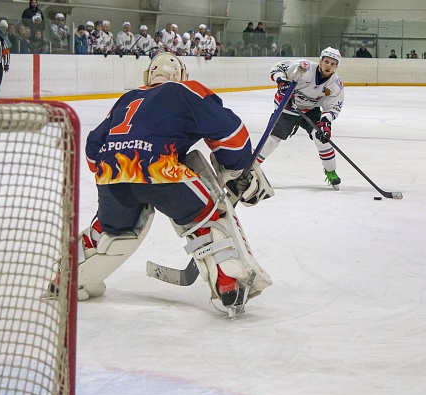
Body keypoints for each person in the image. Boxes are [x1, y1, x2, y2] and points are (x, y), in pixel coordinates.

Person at [47, 53, 273, 314]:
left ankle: (65, 276)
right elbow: (230, 133)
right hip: (160, 171)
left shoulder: (127, 98)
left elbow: (92, 147)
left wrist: (116, 174)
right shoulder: (186, 90)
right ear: (180, 75)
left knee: (111, 230)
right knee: (207, 213)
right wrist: (236, 168)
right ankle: (229, 282)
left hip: (111, 174)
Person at [257, 47, 345, 189]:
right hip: (287, 107)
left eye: (333, 64)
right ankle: (250, 167)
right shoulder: (304, 67)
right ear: (320, 61)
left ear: (336, 67)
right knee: (272, 139)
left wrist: (325, 122)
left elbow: (333, 107)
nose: (328, 66)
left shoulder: (335, 85)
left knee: (321, 137)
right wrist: (282, 82)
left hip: (310, 110)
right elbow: (277, 68)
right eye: (326, 62)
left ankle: (331, 172)